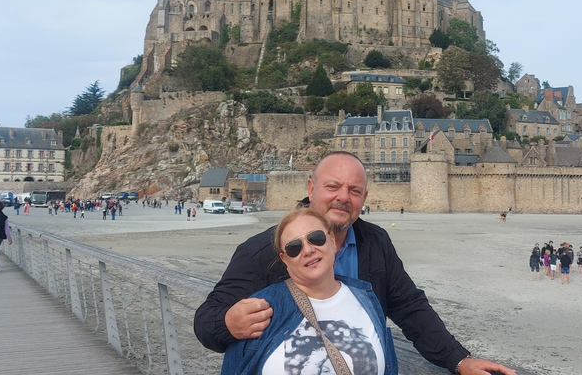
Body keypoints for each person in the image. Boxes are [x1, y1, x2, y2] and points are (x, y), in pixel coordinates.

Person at [194, 151, 516, 375]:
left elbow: (409, 307)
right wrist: (227, 324)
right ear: (311, 188)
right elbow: (206, 322)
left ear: (364, 198)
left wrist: (458, 360)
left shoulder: (374, 243)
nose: (343, 197)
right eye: (333, 186)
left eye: (354, 190)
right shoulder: (263, 251)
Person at [222, 207, 396, 374]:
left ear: (333, 241)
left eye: (316, 238)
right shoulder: (261, 309)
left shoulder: (366, 298)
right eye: (294, 248)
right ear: (284, 259)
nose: (308, 250)